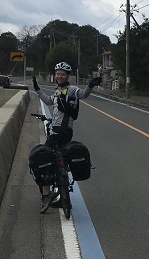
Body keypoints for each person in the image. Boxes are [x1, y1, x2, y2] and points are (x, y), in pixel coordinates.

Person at [31, 61, 102, 212]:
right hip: (59, 131)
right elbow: (49, 101)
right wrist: (37, 89)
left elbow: (83, 94)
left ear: (67, 76)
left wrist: (90, 85)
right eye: (58, 74)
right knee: (58, 159)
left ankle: (46, 196)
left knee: (43, 158)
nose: (59, 76)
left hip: (61, 132)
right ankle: (62, 189)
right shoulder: (58, 91)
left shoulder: (71, 90)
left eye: (62, 74)